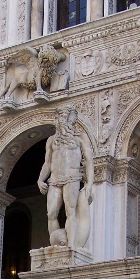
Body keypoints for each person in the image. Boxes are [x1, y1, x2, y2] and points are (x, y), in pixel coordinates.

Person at [37, 105, 94, 248]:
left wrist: (90, 183)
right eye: (60, 118)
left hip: (72, 177)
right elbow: (47, 163)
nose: (62, 120)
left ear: (72, 120)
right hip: (54, 180)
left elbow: (88, 161)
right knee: (51, 213)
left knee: (70, 211)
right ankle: (56, 245)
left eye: (65, 117)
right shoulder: (51, 140)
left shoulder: (80, 137)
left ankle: (71, 248)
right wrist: (40, 179)